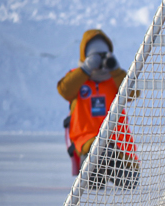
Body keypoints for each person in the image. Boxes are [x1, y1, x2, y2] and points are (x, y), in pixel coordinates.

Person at [57, 29, 139, 190]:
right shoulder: (77, 78)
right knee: (97, 156)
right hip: (88, 142)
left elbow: (133, 93)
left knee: (130, 180)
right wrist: (86, 69)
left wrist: (115, 70)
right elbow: (65, 91)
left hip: (119, 144)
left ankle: (113, 167)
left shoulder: (115, 79)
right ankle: (96, 170)